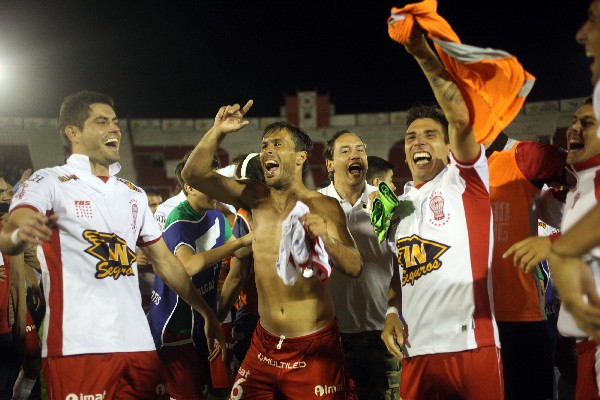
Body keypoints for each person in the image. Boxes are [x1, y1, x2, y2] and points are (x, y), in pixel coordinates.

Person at [0, 90, 225, 399]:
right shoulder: (48, 182)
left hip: (139, 347)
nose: (114, 129)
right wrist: (17, 237)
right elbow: (10, 233)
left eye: (116, 122)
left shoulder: (133, 194)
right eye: (101, 121)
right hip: (79, 347)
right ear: (73, 132)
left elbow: (166, 263)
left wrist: (206, 314)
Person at [181, 101, 363, 399]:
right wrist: (218, 131)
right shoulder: (254, 196)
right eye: (264, 145)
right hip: (263, 346)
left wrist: (325, 240)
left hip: (313, 347)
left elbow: (355, 267)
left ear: (301, 157)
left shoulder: (324, 207)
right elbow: (195, 176)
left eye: (277, 144)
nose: (266, 151)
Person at [380, 25, 503, 399]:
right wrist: (389, 314)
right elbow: (401, 271)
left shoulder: (464, 181)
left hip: (470, 346)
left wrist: (421, 52)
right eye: (411, 137)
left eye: (431, 135)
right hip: (415, 353)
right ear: (403, 152)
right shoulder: (395, 207)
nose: (418, 141)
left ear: (450, 146)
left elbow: (461, 117)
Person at [504, 99, 600, 398]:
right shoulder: (568, 197)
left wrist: (553, 243)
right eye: (574, 121)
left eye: (587, 123)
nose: (573, 127)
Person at [148, 153, 252, 400]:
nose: (214, 190)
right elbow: (190, 266)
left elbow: (240, 248)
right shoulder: (179, 219)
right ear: (189, 187)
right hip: (176, 325)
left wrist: (265, 237)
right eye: (208, 185)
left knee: (218, 391)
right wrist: (244, 242)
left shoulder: (214, 215)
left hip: (204, 319)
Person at [319, 131, 401, 399]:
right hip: (330, 335)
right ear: (329, 164)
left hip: (381, 331)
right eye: (345, 151)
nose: (355, 155)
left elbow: (404, 262)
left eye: (360, 150)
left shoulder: (388, 203)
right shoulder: (314, 204)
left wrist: (393, 310)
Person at [138, 187, 163, 313]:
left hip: (162, 292)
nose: (158, 209)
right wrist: (133, 260)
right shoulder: (131, 228)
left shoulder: (166, 226)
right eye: (153, 205)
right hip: (140, 293)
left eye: (160, 204)